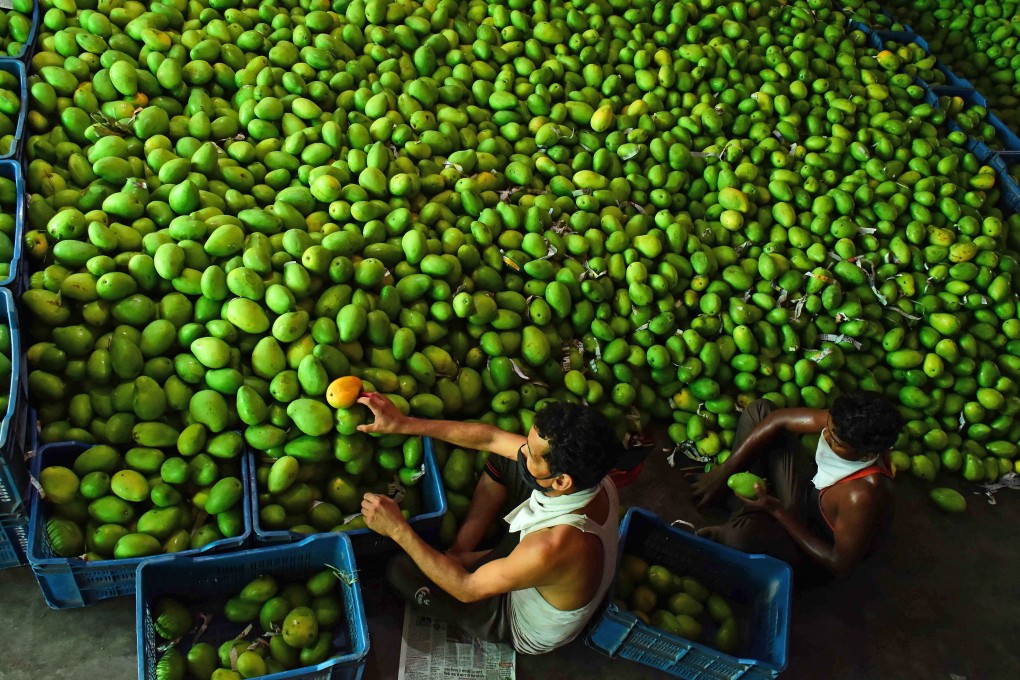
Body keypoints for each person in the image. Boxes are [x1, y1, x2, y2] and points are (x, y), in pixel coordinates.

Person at [356, 392, 626, 654]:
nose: (523, 452)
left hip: (516, 621)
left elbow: (466, 588)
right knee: (504, 459)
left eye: (532, 454)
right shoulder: (597, 480)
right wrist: (403, 423)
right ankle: (462, 552)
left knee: (398, 570)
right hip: (541, 564)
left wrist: (397, 529)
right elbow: (491, 438)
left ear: (561, 481)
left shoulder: (551, 546)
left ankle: (472, 562)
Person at [690, 391, 902, 582]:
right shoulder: (844, 424)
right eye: (828, 428)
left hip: (812, 545)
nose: (825, 436)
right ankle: (747, 508)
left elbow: (839, 564)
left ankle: (747, 518)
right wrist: (723, 472)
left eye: (836, 441)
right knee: (760, 411)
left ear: (865, 454)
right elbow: (779, 419)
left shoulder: (862, 495)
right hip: (808, 497)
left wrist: (777, 511)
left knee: (740, 538)